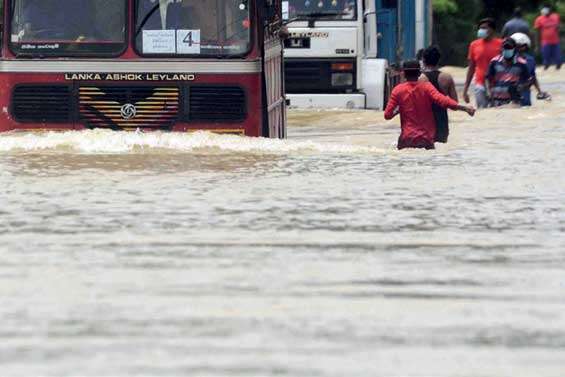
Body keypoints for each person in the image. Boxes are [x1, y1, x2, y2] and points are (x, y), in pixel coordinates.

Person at [384, 61, 475, 150]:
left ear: (403, 74)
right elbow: (443, 100)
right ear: (419, 73)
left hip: (406, 141)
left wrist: (398, 111)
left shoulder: (397, 90)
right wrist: (465, 108)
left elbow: (387, 115)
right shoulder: (427, 87)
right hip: (425, 140)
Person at [418, 46, 458, 143]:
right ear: (438, 60)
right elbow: (455, 104)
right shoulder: (447, 78)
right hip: (442, 123)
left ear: (423, 60)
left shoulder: (419, 79)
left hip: (424, 123)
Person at [463, 18, 503, 108]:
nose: (481, 30)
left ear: (492, 30)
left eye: (484, 28)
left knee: (497, 110)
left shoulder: (501, 44)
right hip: (479, 83)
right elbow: (471, 68)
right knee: (482, 110)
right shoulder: (474, 45)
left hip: (497, 84)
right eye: (480, 28)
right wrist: (465, 90)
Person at [485, 38, 530, 107]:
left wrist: (521, 87)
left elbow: (528, 80)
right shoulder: (494, 62)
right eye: (505, 48)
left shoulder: (522, 63)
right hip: (496, 100)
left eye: (509, 48)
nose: (507, 50)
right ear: (502, 49)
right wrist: (488, 92)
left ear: (514, 49)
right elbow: (487, 78)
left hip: (514, 101)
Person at [510, 32, 551, 106]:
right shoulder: (506, 60)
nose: (518, 49)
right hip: (512, 94)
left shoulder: (530, 60)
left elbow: (533, 77)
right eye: (516, 46)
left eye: (520, 46)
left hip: (524, 94)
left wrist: (539, 91)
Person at [534, 4, 562, 70]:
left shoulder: (556, 16)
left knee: (558, 57)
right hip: (545, 41)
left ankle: (558, 66)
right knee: (546, 56)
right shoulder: (539, 19)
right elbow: (537, 32)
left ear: (549, 10)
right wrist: (537, 44)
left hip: (555, 41)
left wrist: (559, 29)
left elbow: (559, 27)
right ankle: (546, 66)